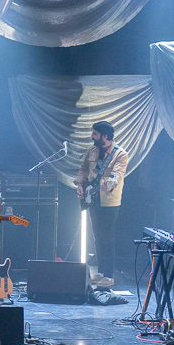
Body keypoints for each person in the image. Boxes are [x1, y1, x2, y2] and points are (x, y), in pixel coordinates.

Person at [75, 121, 129, 289]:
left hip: (110, 200)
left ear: (104, 136)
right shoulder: (91, 151)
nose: (92, 136)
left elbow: (118, 174)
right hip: (93, 197)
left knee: (107, 237)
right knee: (97, 236)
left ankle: (109, 274)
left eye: (95, 134)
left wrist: (109, 184)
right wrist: (80, 185)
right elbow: (83, 169)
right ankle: (100, 270)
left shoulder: (120, 154)